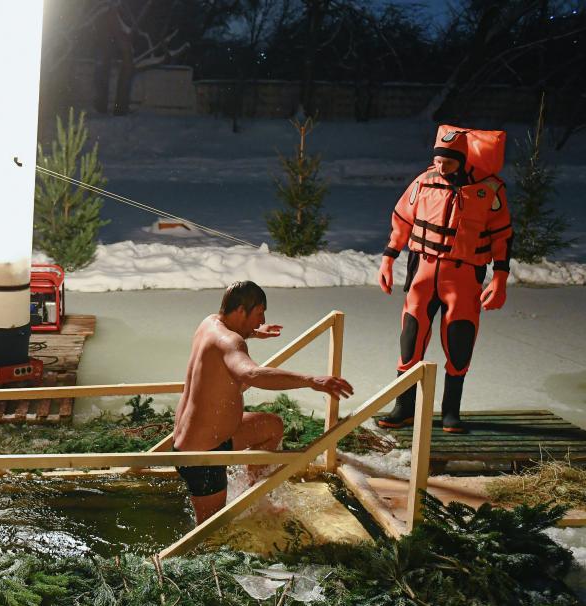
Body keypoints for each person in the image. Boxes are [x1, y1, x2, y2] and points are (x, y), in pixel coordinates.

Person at [173, 281, 354, 524]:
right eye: (258, 314)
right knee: (211, 531)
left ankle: (252, 494)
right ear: (240, 311)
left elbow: (228, 340)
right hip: (202, 457)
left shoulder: (210, 323)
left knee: (272, 427)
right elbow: (251, 374)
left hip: (206, 439)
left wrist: (254, 332)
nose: (262, 320)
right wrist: (311, 380)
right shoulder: (231, 343)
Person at [377, 128, 512, 434]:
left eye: (448, 163)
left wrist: (500, 278)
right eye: (438, 160)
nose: (441, 167)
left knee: (459, 340)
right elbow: (401, 220)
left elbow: (502, 236)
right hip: (423, 274)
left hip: (462, 278)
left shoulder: (488, 190)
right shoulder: (423, 182)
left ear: (462, 161)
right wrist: (388, 258)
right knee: (410, 338)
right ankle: (404, 408)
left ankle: (451, 411)